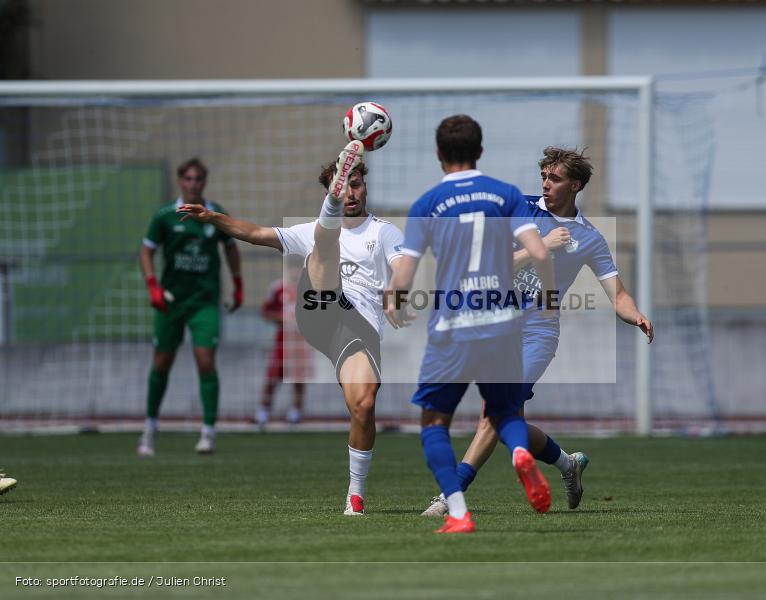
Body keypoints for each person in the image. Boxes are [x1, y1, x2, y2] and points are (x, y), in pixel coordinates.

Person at [420, 147, 654, 517]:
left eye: (555, 179)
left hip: (537, 334)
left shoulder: (589, 238)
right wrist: (541, 247)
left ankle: (452, 496)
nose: (545, 184)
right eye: (543, 176)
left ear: (575, 185)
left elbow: (618, 294)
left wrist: (635, 315)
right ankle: (568, 464)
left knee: (493, 413)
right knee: (509, 421)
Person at [177, 141, 405, 516]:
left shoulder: (383, 232)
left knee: (363, 406)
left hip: (356, 328)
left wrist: (395, 294)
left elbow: (400, 267)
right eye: (342, 185)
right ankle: (326, 215)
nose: (351, 192)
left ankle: (355, 493)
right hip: (317, 309)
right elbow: (254, 233)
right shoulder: (310, 231)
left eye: (355, 184)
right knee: (324, 243)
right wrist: (213, 218)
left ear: (365, 188)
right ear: (332, 190)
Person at [384, 115, 558, 534]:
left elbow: (403, 276)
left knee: (434, 423)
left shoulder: (426, 204)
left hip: (453, 326)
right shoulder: (507, 195)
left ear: (438, 154)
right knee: (504, 411)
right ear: (480, 151)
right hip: (502, 323)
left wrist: (396, 302)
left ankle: (459, 512)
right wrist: (549, 299)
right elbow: (540, 253)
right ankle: (520, 452)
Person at [137, 158, 243, 457]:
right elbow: (146, 251)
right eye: (188, 179)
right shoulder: (164, 217)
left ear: (204, 182)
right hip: (171, 302)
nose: (193, 184)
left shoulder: (214, 213)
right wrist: (152, 285)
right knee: (161, 363)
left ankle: (208, 432)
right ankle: (149, 429)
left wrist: (238, 283)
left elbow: (231, 246)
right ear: (180, 181)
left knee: (205, 359)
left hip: (204, 301)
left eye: (198, 179)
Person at [255, 257, 310, 428]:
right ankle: (262, 413)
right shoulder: (278, 288)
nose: (295, 272)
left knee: (299, 379)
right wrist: (282, 318)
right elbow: (265, 311)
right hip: (282, 340)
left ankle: (295, 414)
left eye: (298, 268)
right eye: (292, 268)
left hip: (303, 341)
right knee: (273, 377)